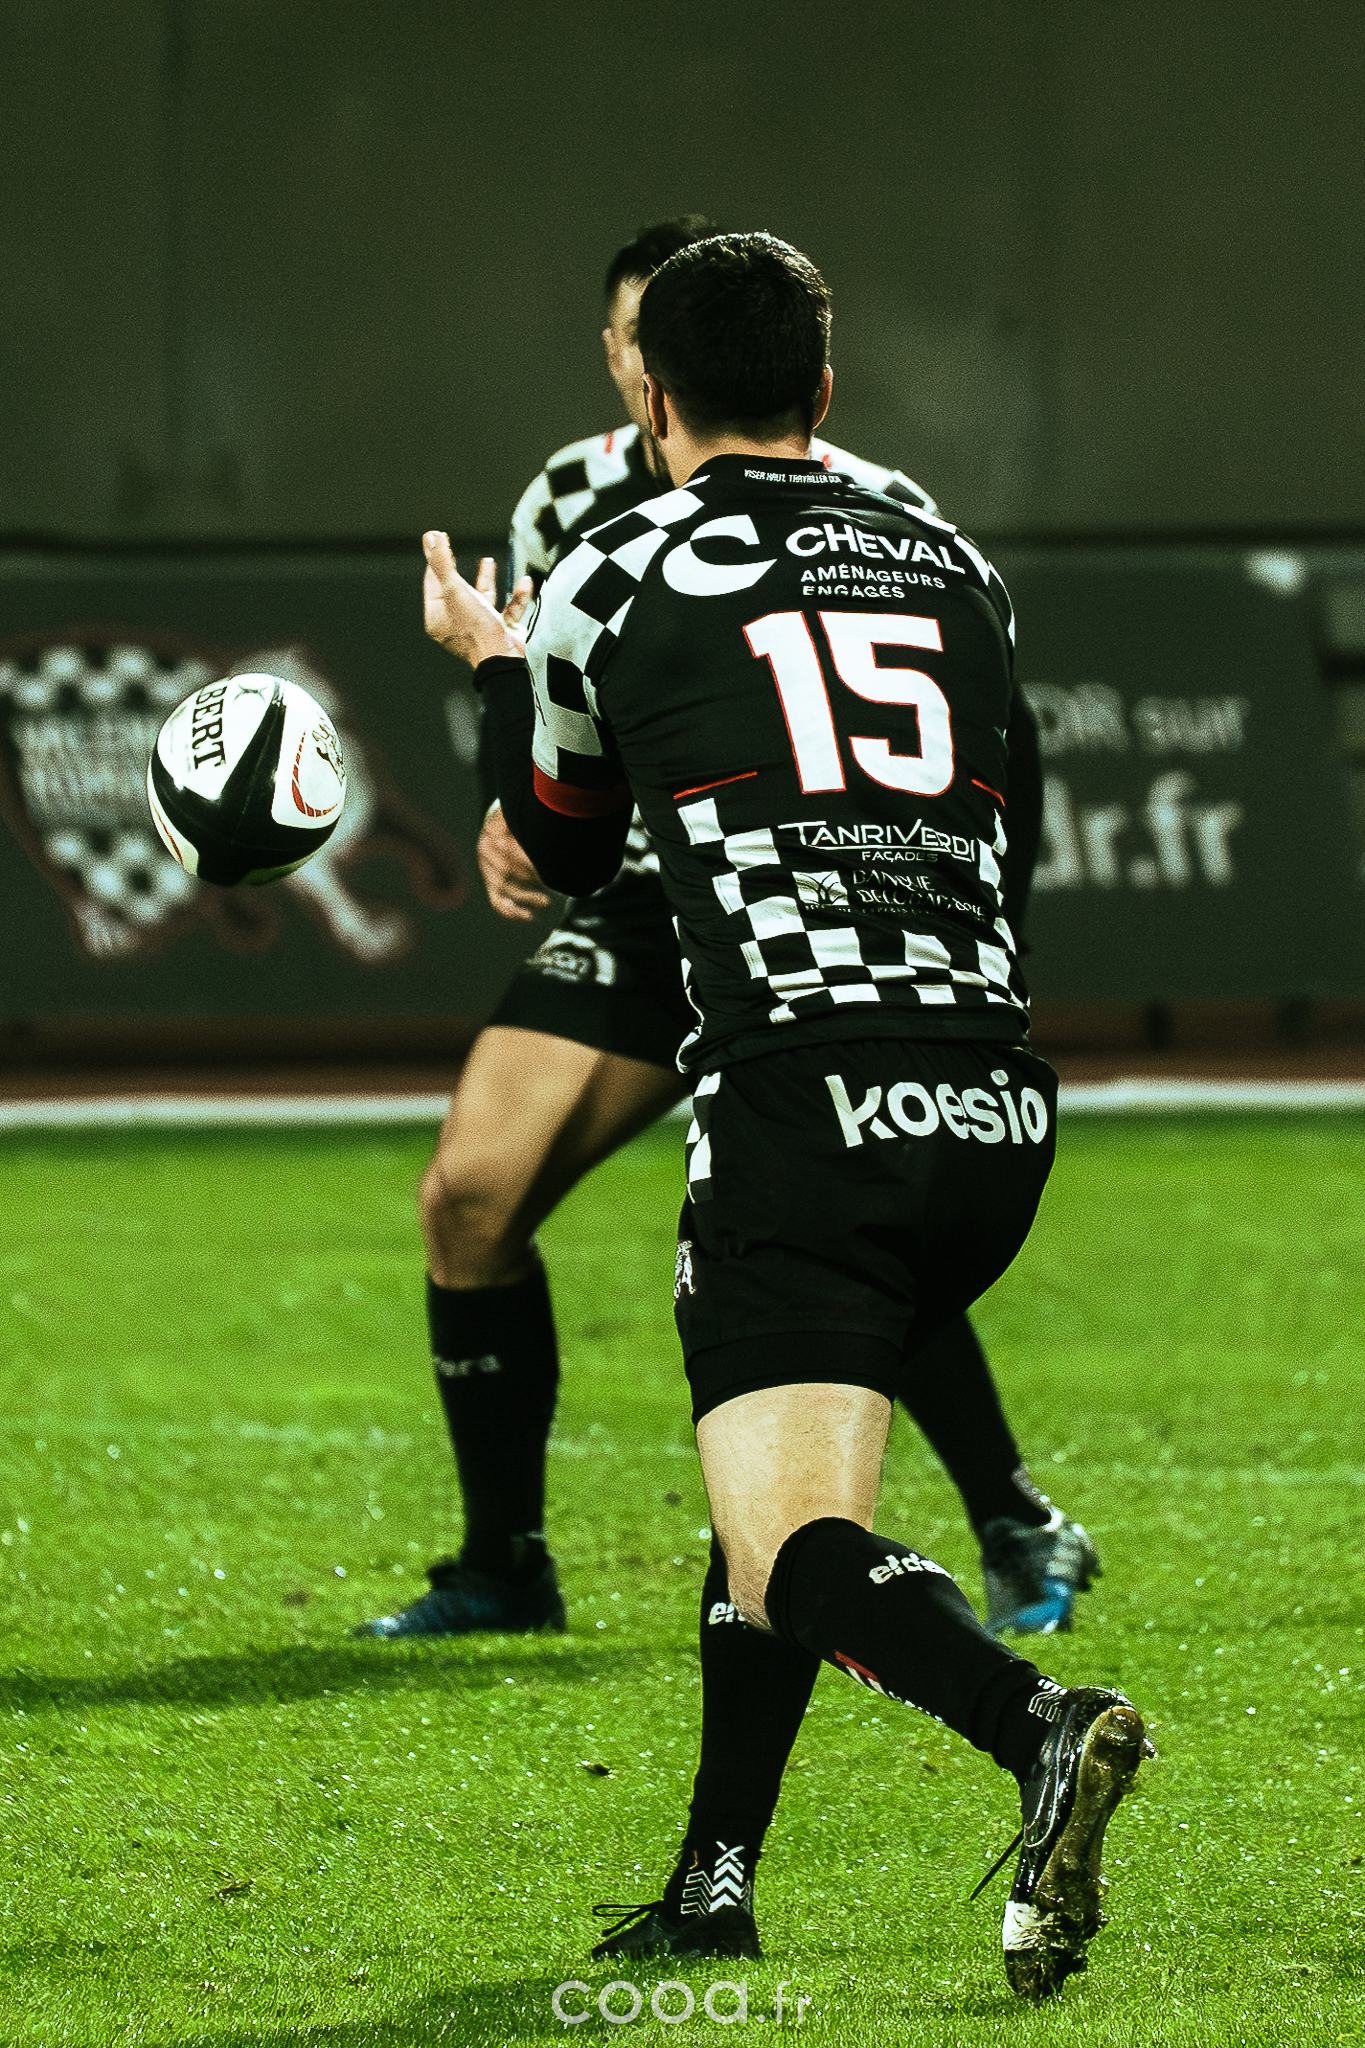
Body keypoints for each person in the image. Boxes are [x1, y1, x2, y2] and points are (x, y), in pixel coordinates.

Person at [420, 233, 1151, 2001]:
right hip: (991, 1102)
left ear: (650, 392)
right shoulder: (951, 558)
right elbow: (1010, 821)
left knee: (794, 1546)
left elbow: (562, 846)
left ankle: (1035, 1722)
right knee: (767, 1481)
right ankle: (711, 1883)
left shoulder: (613, 558)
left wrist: (498, 663)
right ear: (824, 388)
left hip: (801, 1096)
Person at [357, 217, 1099, 1645]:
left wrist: (974, 933)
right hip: (642, 904)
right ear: (618, 359)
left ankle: (1010, 1513)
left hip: (797, 911)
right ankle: (504, 1564)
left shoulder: (878, 510)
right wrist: (506, 807)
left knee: (834, 1215)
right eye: (633, 329)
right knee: (469, 1199)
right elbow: (556, 732)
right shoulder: (566, 499)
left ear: (667, 378)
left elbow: (998, 744)